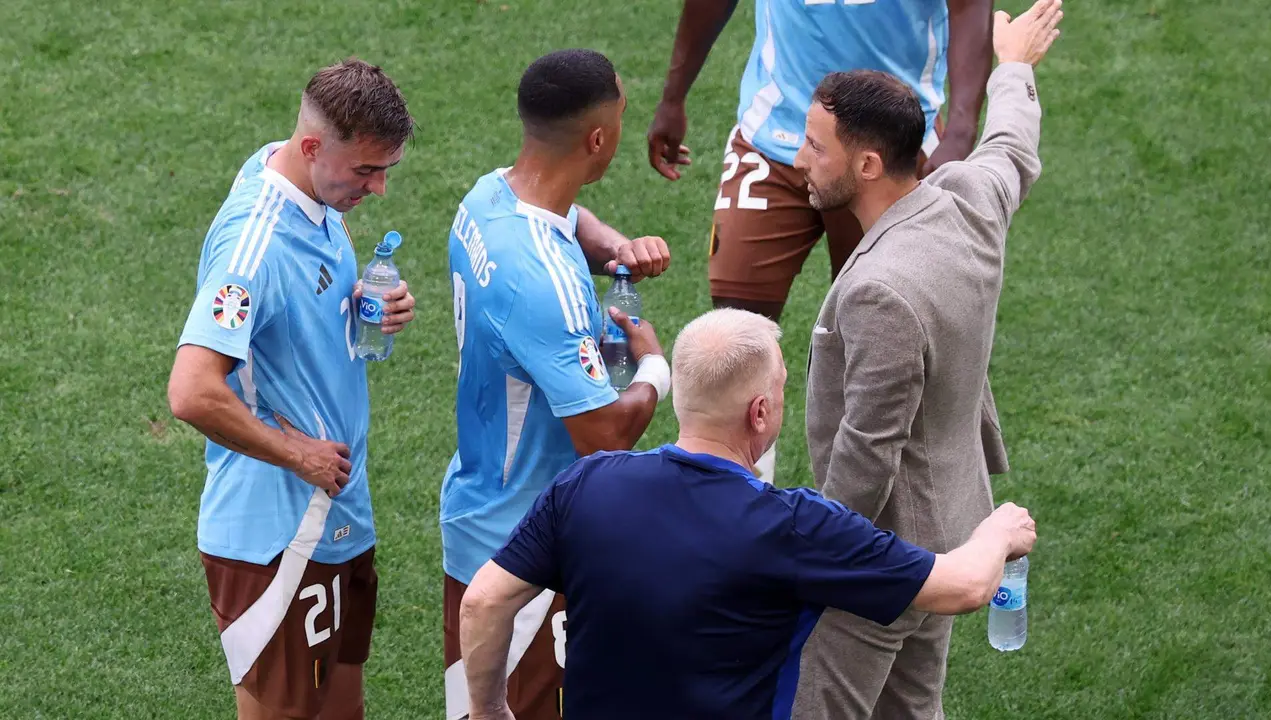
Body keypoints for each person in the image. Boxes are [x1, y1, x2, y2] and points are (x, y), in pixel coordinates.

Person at [457, 308, 1039, 720]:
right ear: (759, 412)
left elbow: (484, 601)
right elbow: (961, 587)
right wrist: (997, 530)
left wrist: (487, 709)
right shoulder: (793, 526)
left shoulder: (585, 486)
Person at [793, 3, 1062, 718]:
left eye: (815, 147)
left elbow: (867, 455)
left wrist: (811, 560)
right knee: (913, 711)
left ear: (868, 163)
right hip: (954, 529)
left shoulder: (880, 291)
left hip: (887, 559)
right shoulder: (968, 199)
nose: (798, 160)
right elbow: (1011, 149)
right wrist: (1013, 68)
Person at [647, 0, 995, 483]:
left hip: (884, 152)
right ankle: (740, 507)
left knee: (883, 331)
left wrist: (960, 127)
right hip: (771, 138)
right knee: (737, 336)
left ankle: (876, 513)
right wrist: (673, 95)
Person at [166, 58, 417, 720]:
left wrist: (361, 302)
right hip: (277, 532)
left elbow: (296, 305)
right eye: (367, 171)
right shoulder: (253, 246)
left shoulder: (306, 185)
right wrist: (296, 453)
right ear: (312, 148)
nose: (380, 187)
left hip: (339, 516)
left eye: (385, 168)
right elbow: (192, 391)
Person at [440, 48, 673, 720]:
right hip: (527, 541)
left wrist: (617, 250)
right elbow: (601, 434)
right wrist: (656, 366)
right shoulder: (540, 282)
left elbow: (569, 223)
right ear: (598, 138)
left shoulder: (490, 196)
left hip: (483, 503)